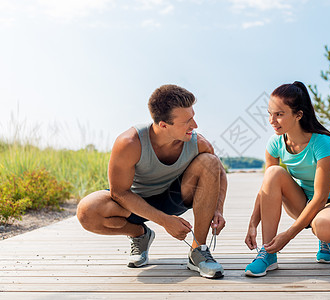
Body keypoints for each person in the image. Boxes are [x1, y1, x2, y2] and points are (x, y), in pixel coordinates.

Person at [77, 84, 227, 279]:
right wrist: (165, 222)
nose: (195, 125)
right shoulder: (129, 143)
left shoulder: (198, 143)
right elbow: (119, 193)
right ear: (163, 125)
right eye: (187, 121)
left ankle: (198, 250)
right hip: (134, 202)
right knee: (86, 211)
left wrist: (218, 208)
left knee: (210, 162)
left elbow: (219, 173)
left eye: (193, 117)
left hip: (175, 198)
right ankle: (140, 234)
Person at [244, 81, 330, 277]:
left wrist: (288, 235)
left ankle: (328, 240)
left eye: (279, 114)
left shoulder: (322, 142)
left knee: (324, 227)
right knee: (272, 173)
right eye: (270, 113)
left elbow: (321, 197)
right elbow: (266, 188)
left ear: (298, 115)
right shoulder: (275, 143)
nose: (272, 120)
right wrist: (253, 223)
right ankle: (268, 253)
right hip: (303, 203)